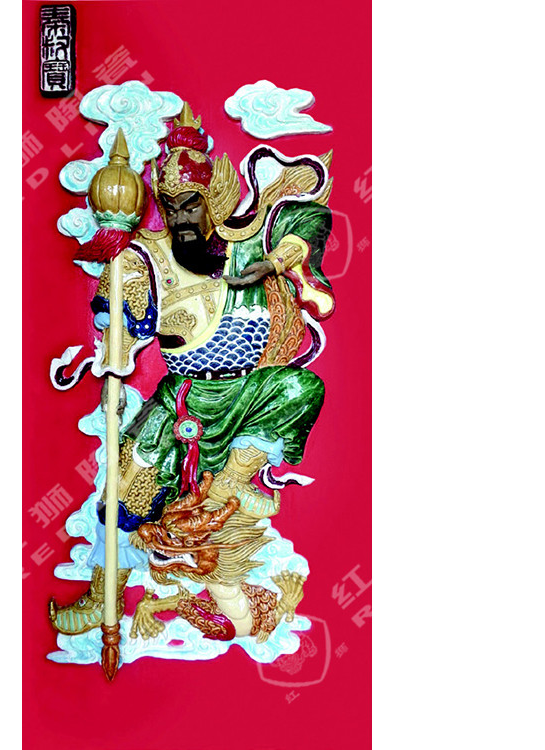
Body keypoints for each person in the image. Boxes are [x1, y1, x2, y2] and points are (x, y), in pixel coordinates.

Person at [49, 103, 335, 636]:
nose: (181, 218)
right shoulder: (148, 256)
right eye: (171, 207)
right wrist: (117, 296)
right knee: (126, 487)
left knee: (303, 387)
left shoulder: (246, 242)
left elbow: (310, 218)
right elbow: (122, 320)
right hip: (182, 398)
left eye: (191, 206)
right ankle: (102, 594)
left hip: (248, 392)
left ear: (213, 202)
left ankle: (231, 486)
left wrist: (276, 263)